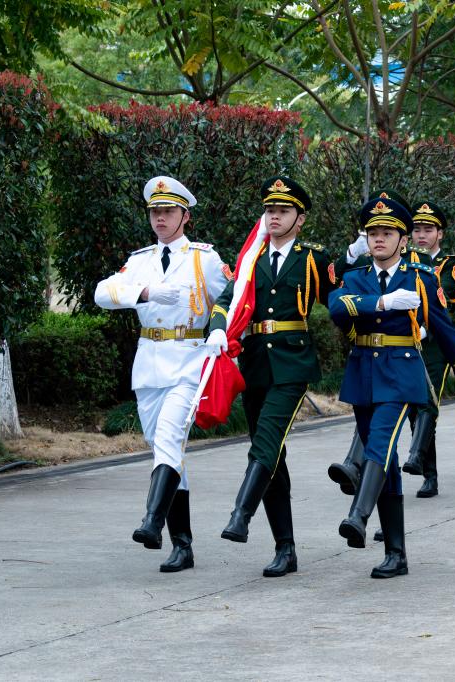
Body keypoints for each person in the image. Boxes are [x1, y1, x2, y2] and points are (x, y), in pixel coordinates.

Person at [328, 196, 455, 578]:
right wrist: (382, 302)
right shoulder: (355, 277)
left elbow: (443, 328)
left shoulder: (420, 278)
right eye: (373, 233)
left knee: (379, 444)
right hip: (363, 373)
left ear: (403, 240)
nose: (378, 239)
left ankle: (358, 516)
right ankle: (396, 553)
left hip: (400, 374)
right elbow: (337, 308)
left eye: (387, 233)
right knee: (386, 464)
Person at [95, 176, 229, 573]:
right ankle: (182, 546)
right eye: (155, 211)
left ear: (185, 216)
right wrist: (145, 293)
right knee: (166, 451)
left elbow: (232, 295)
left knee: (169, 439)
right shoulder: (140, 261)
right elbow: (102, 293)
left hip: (189, 360)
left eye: (168, 211)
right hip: (149, 364)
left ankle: (152, 522)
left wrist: (219, 328)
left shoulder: (203, 258)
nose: (160, 218)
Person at [205, 176, 335, 577]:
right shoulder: (251, 259)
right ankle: (285, 548)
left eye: (283, 210)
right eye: (269, 210)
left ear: (300, 218)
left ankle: (241, 514)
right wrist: (217, 328)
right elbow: (226, 300)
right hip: (256, 363)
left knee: (265, 441)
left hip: (293, 363)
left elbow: (341, 300)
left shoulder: (313, 258)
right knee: (271, 453)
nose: (274, 216)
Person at [400, 201, 455, 498]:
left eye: (428, 230)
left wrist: (425, 326)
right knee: (412, 409)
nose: (421, 235)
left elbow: (445, 297)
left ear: (440, 233)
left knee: (428, 404)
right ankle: (424, 465)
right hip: (406, 343)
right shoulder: (403, 261)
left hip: (436, 345)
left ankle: (427, 471)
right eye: (416, 230)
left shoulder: (451, 265)